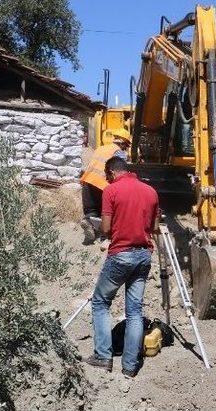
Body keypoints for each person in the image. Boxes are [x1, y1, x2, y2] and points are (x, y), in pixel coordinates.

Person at [85, 156, 160, 378]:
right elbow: (154, 226)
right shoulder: (151, 191)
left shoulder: (111, 191)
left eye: (107, 176)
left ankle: (103, 356)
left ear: (111, 172)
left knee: (100, 302)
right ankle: (129, 366)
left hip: (121, 255)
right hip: (144, 255)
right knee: (135, 312)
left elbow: (107, 228)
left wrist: (112, 227)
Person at [79, 129, 131, 245]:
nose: (126, 148)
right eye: (126, 145)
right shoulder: (119, 152)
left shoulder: (101, 148)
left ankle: (88, 222)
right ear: (122, 143)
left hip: (88, 181)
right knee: (106, 212)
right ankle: (105, 237)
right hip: (103, 185)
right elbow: (120, 171)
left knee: (91, 210)